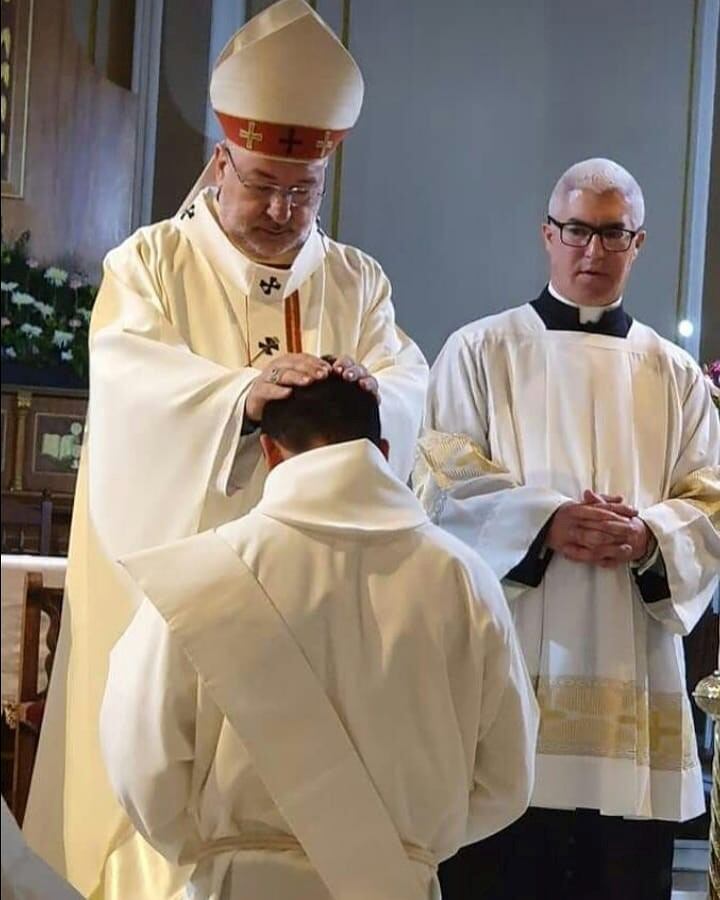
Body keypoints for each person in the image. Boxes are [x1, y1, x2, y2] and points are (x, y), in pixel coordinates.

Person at [23, 2, 428, 897]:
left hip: (315, 613)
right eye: (262, 186)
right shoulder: (151, 264)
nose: (282, 210)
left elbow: (408, 385)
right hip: (183, 613)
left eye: (303, 191)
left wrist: (364, 396)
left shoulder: (357, 281)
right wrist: (238, 397)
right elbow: (132, 388)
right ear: (220, 162)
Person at [98, 370, 538, 900]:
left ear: (269, 452)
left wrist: (221, 852)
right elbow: (506, 778)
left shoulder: (201, 574)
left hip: (243, 885)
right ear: (381, 448)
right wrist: (398, 848)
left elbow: (141, 764)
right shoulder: (466, 579)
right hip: (394, 884)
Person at [414, 158, 720, 900]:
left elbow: (709, 501)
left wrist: (649, 538)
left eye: (613, 234)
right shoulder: (480, 351)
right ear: (548, 234)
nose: (593, 251)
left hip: (630, 673)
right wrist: (544, 521)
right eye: (578, 230)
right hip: (512, 660)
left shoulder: (673, 374)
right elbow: (438, 481)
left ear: (638, 244)